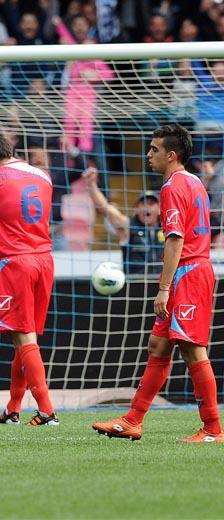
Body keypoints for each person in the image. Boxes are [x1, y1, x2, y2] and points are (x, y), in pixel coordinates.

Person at [93, 124, 222, 443]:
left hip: (189, 273)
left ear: (171, 154)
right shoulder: (193, 182)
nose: (148, 154)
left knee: (193, 350)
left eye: (154, 149)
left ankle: (212, 429)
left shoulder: (172, 187)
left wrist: (164, 288)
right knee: (159, 345)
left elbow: (175, 240)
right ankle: (133, 420)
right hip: (190, 271)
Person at [0, 136, 59, 427]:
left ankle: (47, 410)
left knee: (23, 336)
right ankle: (13, 408)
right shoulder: (43, 175)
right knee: (24, 339)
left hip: (16, 261)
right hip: (45, 259)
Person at [82, 166, 163, 275]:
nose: (146, 208)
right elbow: (105, 208)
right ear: (136, 209)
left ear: (159, 209)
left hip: (162, 284)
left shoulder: (167, 227)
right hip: (135, 284)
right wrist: (91, 184)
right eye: (143, 204)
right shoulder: (128, 225)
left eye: (151, 204)